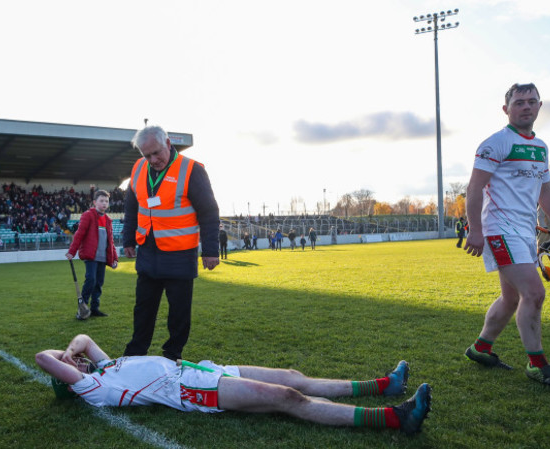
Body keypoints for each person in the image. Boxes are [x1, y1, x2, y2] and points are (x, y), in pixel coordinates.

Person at [35, 334, 432, 436]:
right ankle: (394, 419)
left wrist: (72, 348)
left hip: (202, 368)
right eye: (70, 366)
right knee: (288, 397)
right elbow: (42, 358)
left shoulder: (104, 366)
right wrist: (63, 361)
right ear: (70, 381)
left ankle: (383, 385)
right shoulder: (95, 389)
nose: (76, 359)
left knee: (293, 376)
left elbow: (83, 342)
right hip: (191, 391)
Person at [463, 83, 550, 389]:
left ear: (540, 106)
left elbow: (546, 191)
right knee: (534, 293)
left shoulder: (540, 148)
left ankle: (481, 348)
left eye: (531, 102)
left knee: (512, 297)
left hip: (526, 232)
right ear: (506, 109)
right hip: (499, 230)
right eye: (518, 102)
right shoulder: (495, 143)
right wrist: (475, 229)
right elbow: (474, 189)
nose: (525, 107)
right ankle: (538, 364)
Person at [123, 126, 220, 362]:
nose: (152, 160)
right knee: (143, 308)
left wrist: (210, 250)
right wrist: (128, 239)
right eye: (147, 155)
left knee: (179, 312)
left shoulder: (192, 170)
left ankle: (172, 354)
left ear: (168, 143)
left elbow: (209, 212)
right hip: (148, 252)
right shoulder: (138, 169)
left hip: (180, 254)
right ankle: (135, 354)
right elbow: (131, 206)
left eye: (156, 153)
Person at [66, 190, 119, 317]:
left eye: (106, 201)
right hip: (91, 256)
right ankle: (82, 308)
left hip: (102, 257)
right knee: (91, 279)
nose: (104, 203)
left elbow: (110, 242)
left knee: (99, 283)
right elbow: (79, 235)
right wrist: (72, 252)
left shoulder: (108, 220)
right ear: (95, 202)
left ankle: (95, 309)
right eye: (101, 201)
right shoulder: (88, 215)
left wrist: (114, 259)